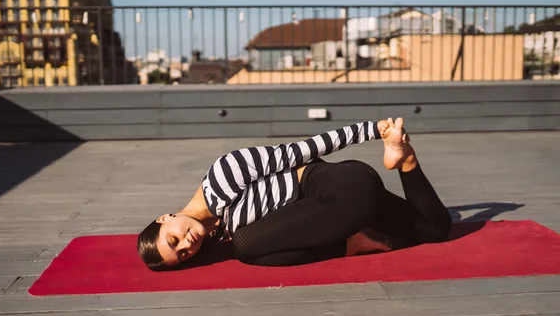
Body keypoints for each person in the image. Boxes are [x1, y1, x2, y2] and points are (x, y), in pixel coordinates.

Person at [137, 117, 452, 270]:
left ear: (165, 218)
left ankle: (349, 244)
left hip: (340, 185)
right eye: (181, 256)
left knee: (247, 247)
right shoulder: (220, 233)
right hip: (342, 213)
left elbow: (301, 150)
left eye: (173, 239)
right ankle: (406, 161)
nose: (186, 247)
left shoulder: (224, 174)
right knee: (436, 229)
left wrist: (371, 130)